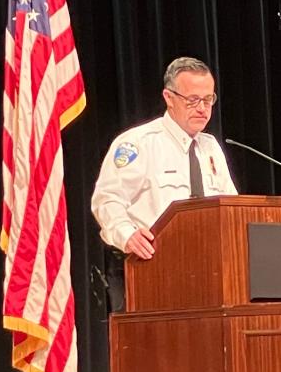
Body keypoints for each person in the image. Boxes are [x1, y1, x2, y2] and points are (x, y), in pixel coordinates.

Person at [91, 56, 238, 264]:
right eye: (193, 100)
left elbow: (232, 207)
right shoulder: (138, 143)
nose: (202, 108)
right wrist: (128, 235)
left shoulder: (210, 146)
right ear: (169, 98)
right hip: (153, 264)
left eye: (208, 99)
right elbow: (107, 199)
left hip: (208, 263)